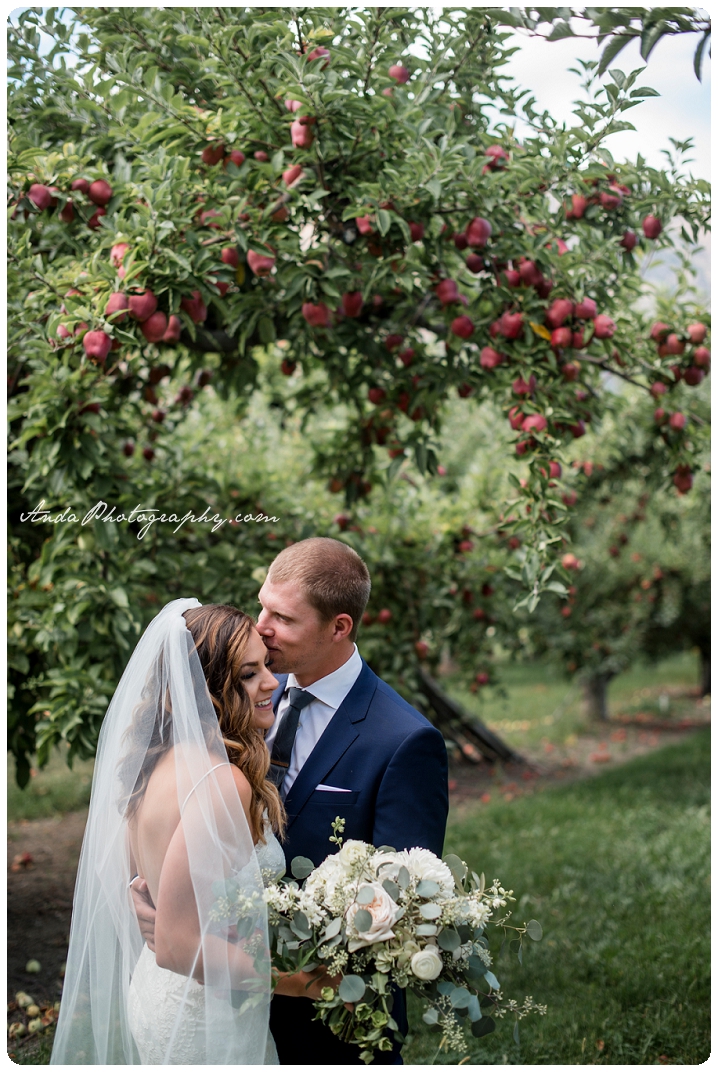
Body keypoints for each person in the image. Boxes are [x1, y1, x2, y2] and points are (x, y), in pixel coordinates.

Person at [134, 538, 449, 1064]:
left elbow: (405, 895)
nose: (261, 627)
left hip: (327, 1012)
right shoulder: (243, 695)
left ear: (339, 627)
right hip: (220, 989)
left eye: (282, 617)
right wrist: (163, 909)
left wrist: (307, 978)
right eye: (262, 606)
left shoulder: (403, 740)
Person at [51, 599, 317, 1065]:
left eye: (266, 667)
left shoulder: (154, 764)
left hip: (159, 994)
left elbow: (151, 892)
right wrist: (306, 982)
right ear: (207, 690)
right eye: (249, 674)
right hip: (204, 1015)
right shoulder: (222, 781)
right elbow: (177, 945)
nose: (273, 683)